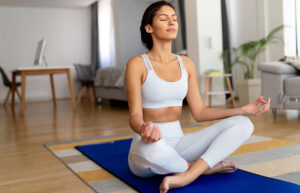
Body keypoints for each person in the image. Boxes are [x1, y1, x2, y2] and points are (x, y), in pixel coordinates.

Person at [125, 1, 270, 193]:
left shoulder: (186, 63)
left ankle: (188, 174)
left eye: (174, 19)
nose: (172, 22)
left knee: (244, 123)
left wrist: (241, 110)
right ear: (149, 28)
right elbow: (134, 116)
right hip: (148, 146)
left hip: (179, 143)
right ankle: (202, 168)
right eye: (163, 19)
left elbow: (199, 112)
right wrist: (144, 130)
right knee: (155, 151)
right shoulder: (137, 64)